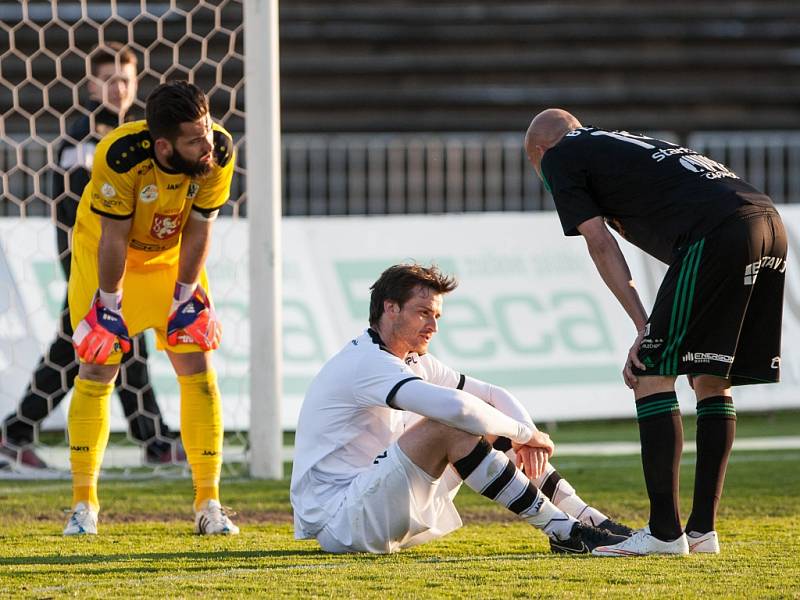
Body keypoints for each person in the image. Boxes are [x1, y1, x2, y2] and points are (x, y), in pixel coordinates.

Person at [525, 108, 786, 556]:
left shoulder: (560, 155)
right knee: (710, 378)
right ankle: (702, 531)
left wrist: (644, 327)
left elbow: (599, 241)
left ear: (540, 150)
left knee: (650, 371)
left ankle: (665, 533)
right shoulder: (622, 143)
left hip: (717, 232)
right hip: (769, 226)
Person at [291, 263, 632, 554]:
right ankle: (566, 533)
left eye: (436, 315)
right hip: (341, 520)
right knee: (449, 423)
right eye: (423, 313)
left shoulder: (413, 359)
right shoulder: (365, 362)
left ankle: (590, 522)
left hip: (372, 502)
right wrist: (528, 434)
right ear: (390, 308)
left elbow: (492, 395)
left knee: (481, 420)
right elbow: (459, 411)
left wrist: (525, 436)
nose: (434, 326)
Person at [62, 80, 238, 537]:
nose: (205, 143)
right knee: (98, 365)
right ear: (163, 145)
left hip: (170, 261)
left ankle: (209, 503)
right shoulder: (119, 154)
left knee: (197, 363)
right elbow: (113, 236)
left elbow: (200, 229)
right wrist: (108, 304)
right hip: (105, 256)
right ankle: (84, 507)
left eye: (205, 129)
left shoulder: (218, 149)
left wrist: (184, 296)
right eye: (192, 139)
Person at [0, 43, 183, 469]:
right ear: (92, 84)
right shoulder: (87, 139)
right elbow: (88, 211)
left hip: (119, 259)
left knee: (108, 343)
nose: (118, 88)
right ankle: (18, 433)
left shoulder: (136, 133)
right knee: (94, 342)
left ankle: (18, 434)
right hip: (90, 257)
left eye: (125, 79)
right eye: (110, 80)